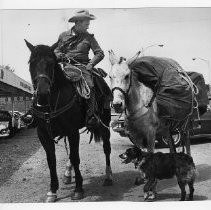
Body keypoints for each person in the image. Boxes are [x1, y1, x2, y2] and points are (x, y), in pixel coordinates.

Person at [54, 9, 105, 129]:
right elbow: (56, 50)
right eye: (86, 23)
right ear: (78, 22)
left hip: (83, 67)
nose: (88, 26)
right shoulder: (63, 36)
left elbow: (100, 53)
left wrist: (91, 64)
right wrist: (58, 55)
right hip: (66, 66)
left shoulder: (89, 37)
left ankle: (91, 115)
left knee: (90, 85)